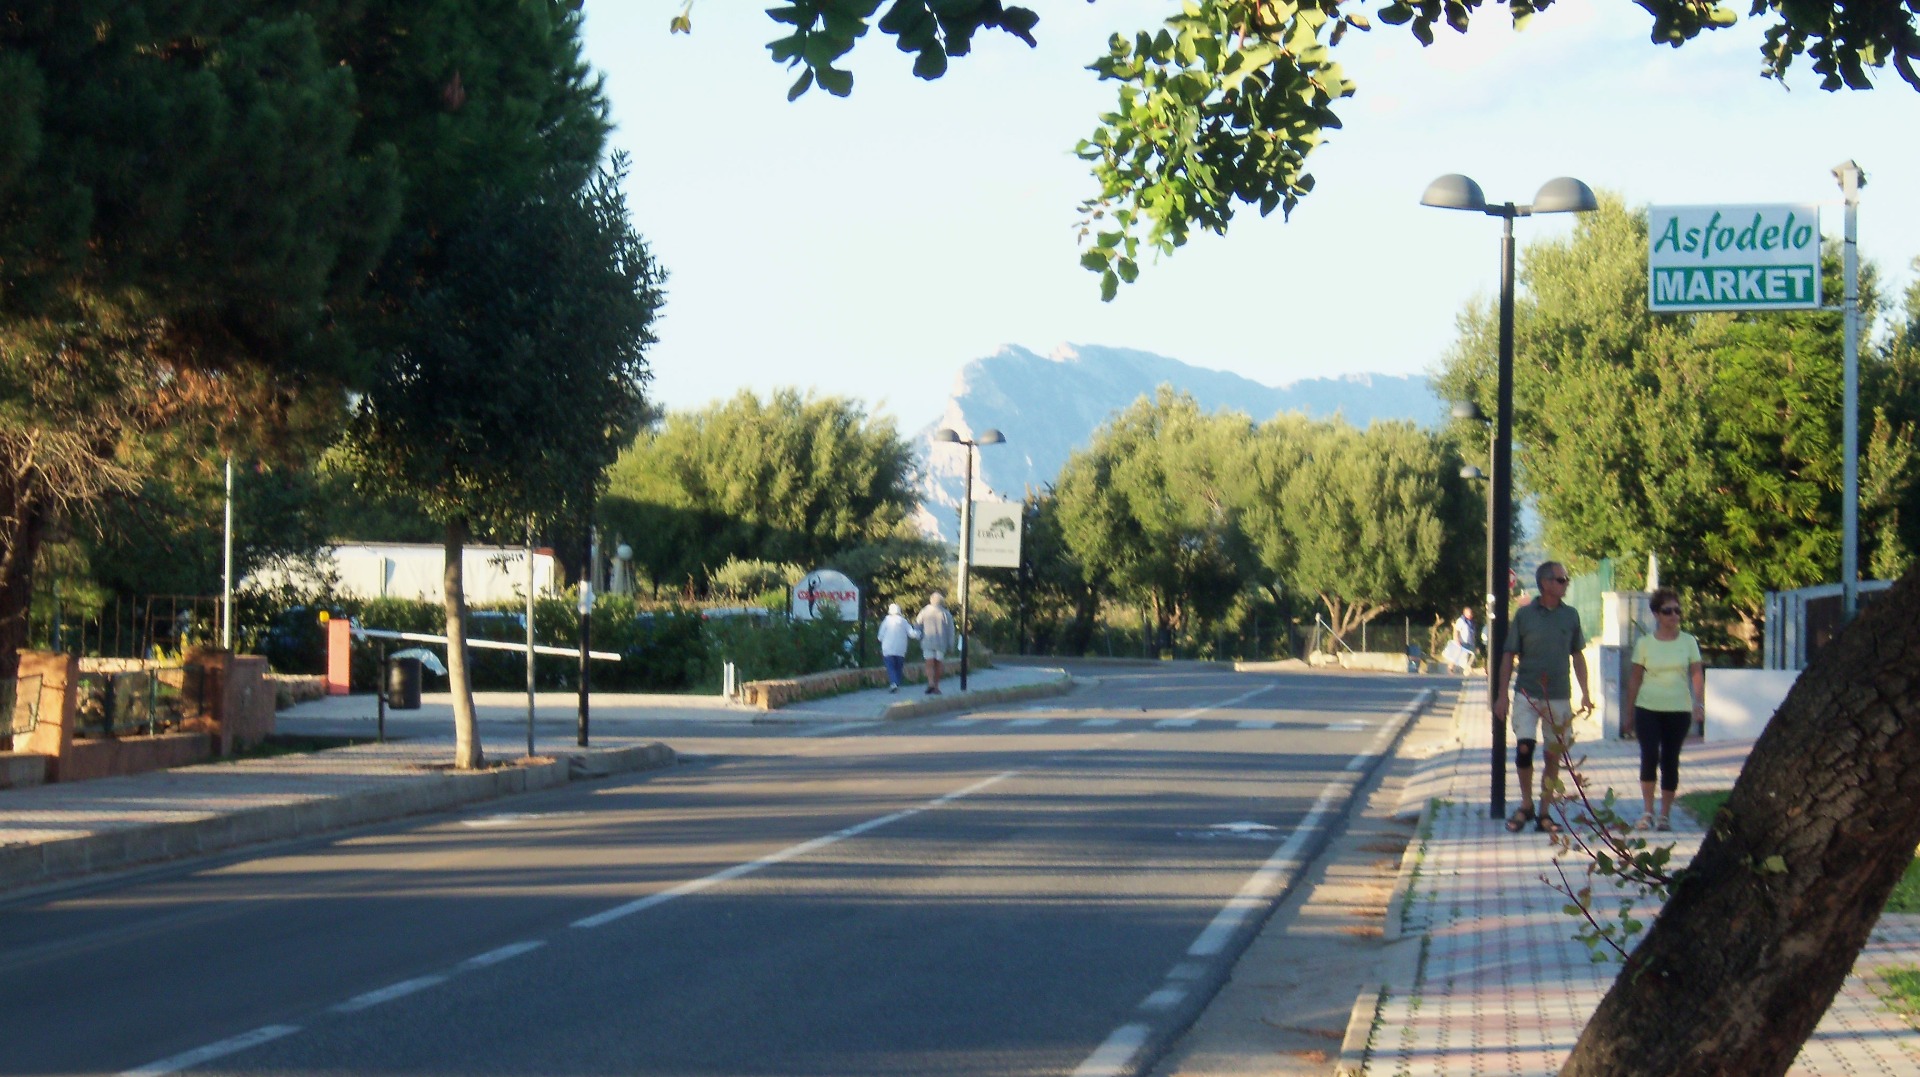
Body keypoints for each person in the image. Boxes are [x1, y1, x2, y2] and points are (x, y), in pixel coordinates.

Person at [1492, 561, 1592, 835]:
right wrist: (1502, 695)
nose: (1566, 584)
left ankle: (1545, 812)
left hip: (1559, 695)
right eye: (1561, 580)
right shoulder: (1524, 616)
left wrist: (1586, 693)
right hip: (1527, 692)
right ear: (1545, 583)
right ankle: (1526, 804)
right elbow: (1508, 655)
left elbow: (1578, 655)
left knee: (1552, 754)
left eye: (1566, 580)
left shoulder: (1570, 616)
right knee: (1525, 748)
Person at [1623, 588, 1704, 832]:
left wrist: (1698, 703)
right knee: (1649, 756)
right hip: (1648, 707)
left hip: (1678, 709)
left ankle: (1665, 815)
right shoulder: (1645, 644)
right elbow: (1635, 679)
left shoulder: (1688, 642)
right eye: (1668, 611)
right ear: (1657, 614)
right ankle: (1647, 811)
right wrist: (1628, 713)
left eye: (1677, 610)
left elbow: (1696, 673)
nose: (1674, 615)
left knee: (1670, 759)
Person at [914, 591, 956, 695]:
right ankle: (936, 686)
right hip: (941, 643)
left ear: (931, 600)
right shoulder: (946, 614)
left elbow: (917, 626)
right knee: (938, 664)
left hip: (927, 641)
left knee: (929, 664)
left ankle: (930, 683)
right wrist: (951, 645)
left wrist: (919, 637)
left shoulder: (924, 611)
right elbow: (951, 631)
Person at [876, 603, 919, 693]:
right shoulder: (903, 621)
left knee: (890, 667)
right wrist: (918, 633)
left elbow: (880, 636)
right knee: (898, 667)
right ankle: (897, 683)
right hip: (901, 649)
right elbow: (911, 634)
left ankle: (893, 683)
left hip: (888, 649)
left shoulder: (886, 621)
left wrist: (880, 640)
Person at [1445, 606, 1478, 674]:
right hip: (1461, 642)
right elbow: (1456, 630)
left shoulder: (1471, 622)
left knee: (1470, 656)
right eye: (1469, 613)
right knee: (1456, 656)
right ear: (1465, 613)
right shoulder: (1461, 620)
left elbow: (1472, 633)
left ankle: (1467, 671)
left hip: (1469, 642)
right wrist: (1456, 640)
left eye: (1471, 613)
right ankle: (1450, 669)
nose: (1471, 614)